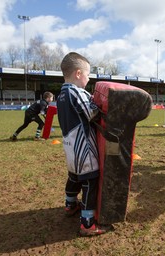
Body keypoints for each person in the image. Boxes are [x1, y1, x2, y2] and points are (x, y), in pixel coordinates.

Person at [57, 52, 110, 236]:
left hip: (69, 144)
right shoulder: (75, 91)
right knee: (89, 180)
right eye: (88, 75)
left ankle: (70, 205)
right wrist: (99, 104)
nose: (88, 79)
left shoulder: (62, 93)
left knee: (74, 176)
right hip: (83, 146)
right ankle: (87, 224)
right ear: (78, 73)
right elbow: (91, 113)